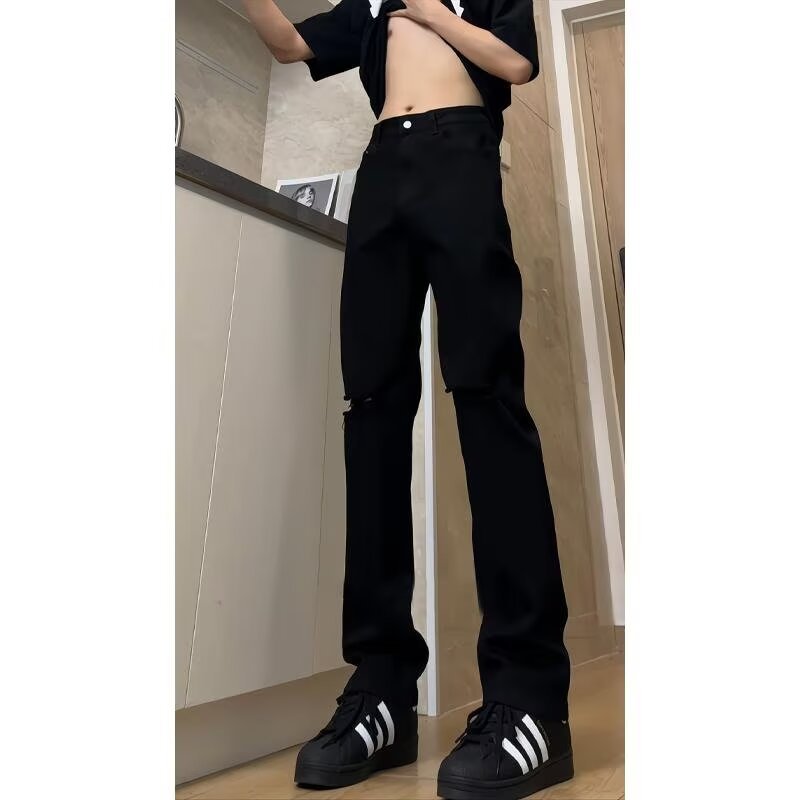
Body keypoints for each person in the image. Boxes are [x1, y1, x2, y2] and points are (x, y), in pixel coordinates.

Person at [242, 2, 573, 798]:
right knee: (372, 412)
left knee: (488, 399)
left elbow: (516, 63)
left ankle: (529, 696)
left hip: (462, 154)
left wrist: (433, 11)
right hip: (383, 171)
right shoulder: (370, 6)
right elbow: (287, 43)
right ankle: (382, 689)